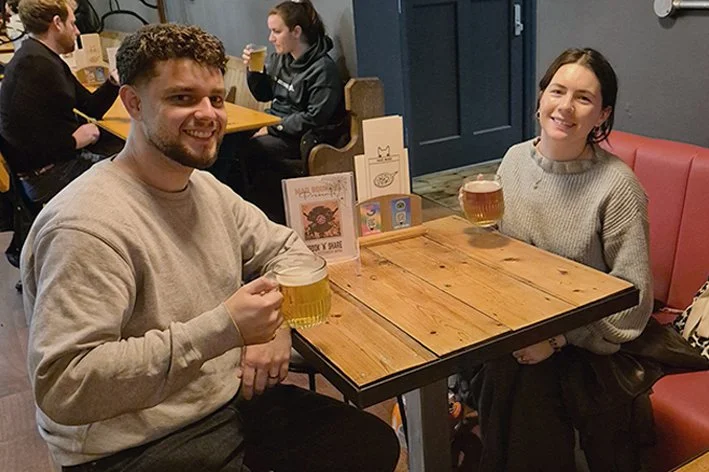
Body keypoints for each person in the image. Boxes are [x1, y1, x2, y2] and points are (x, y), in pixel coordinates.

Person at [21, 23, 399, 472]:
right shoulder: (85, 226)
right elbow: (66, 385)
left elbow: (289, 250)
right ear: (133, 103)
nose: (208, 114)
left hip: (221, 400)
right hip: (130, 444)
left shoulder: (204, 188)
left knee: (371, 444)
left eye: (216, 99)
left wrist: (273, 327)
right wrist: (226, 328)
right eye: (182, 98)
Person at [458, 48, 708, 471]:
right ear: (540, 99)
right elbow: (504, 257)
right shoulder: (515, 160)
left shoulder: (617, 187)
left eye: (584, 98)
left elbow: (634, 302)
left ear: (602, 116)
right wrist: (480, 231)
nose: (565, 107)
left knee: (528, 386)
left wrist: (558, 339)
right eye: (557, 91)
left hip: (592, 337)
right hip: (519, 320)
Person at [0, 0, 121, 206]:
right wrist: (75, 141)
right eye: (72, 24)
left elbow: (90, 107)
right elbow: (21, 144)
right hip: (46, 176)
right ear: (57, 23)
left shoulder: (40, 56)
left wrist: (113, 81)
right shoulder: (37, 67)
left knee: (120, 147)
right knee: (133, 173)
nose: (77, 31)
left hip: (51, 161)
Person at [238, 0, 348, 222]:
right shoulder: (280, 59)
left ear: (296, 31)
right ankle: (244, 217)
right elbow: (264, 95)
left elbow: (314, 118)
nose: (271, 38)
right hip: (276, 125)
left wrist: (273, 128)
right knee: (230, 143)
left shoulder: (323, 70)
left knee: (248, 151)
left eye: (276, 31)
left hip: (302, 138)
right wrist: (254, 71)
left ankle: (265, 219)